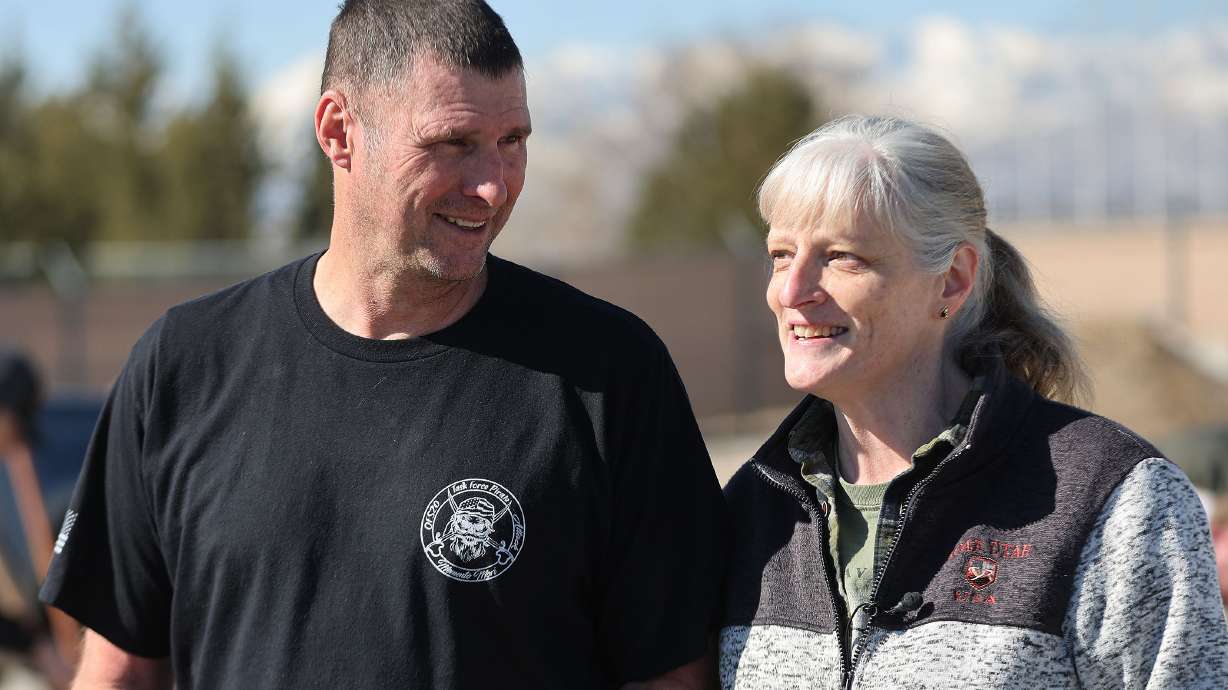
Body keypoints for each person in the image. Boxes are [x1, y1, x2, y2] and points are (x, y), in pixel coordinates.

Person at [39, 2, 725, 688]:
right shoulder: (182, 365)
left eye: (513, 140)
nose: (492, 185)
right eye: (453, 143)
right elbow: (117, 672)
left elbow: (671, 677)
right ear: (340, 132)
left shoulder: (609, 374)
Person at [719, 115, 1228, 688]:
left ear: (953, 280)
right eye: (782, 254)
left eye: (841, 257)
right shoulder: (751, 509)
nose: (792, 291)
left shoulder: (1116, 499)